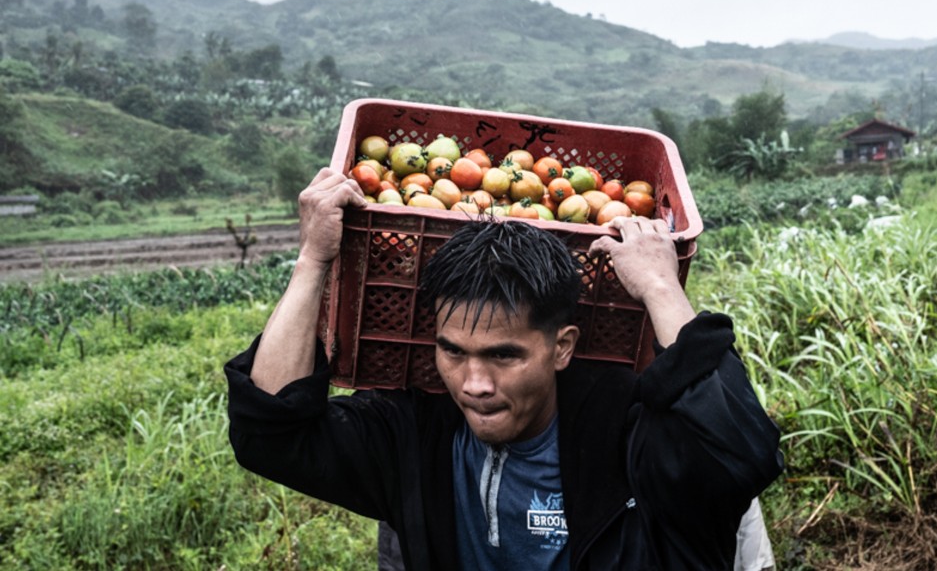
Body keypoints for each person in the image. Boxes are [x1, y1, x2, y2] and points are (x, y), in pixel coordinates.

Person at [225, 168, 784, 570]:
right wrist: (313, 259)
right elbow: (270, 434)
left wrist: (660, 286)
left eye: (504, 355)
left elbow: (738, 452)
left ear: (562, 347)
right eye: (453, 352)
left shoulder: (627, 435)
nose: (474, 385)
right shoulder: (416, 437)